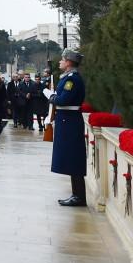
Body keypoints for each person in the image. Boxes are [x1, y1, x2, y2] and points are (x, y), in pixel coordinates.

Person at [49, 49, 87, 207]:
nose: (60, 62)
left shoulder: (73, 79)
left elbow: (64, 99)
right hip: (67, 120)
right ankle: (76, 194)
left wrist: (52, 97)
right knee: (71, 159)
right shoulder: (68, 78)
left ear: (69, 62)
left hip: (70, 121)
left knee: (74, 159)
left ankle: (79, 196)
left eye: (62, 59)